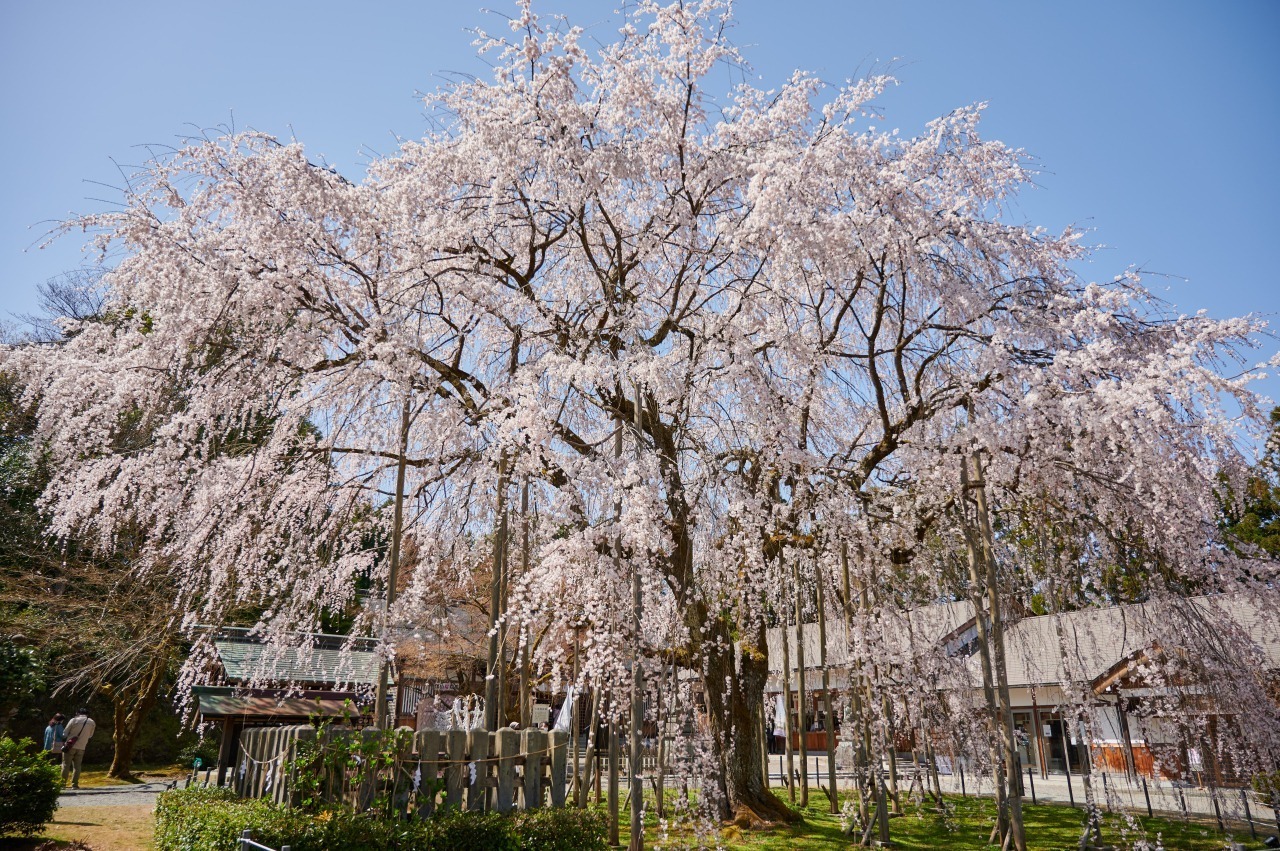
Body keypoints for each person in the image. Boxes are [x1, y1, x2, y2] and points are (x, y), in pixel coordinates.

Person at [61, 707, 96, 789]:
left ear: (78, 713)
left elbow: (65, 733)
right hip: (82, 746)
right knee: (77, 766)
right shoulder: (92, 722)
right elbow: (90, 735)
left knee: (66, 765)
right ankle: (75, 784)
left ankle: (62, 784)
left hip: (70, 746)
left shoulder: (73, 720)